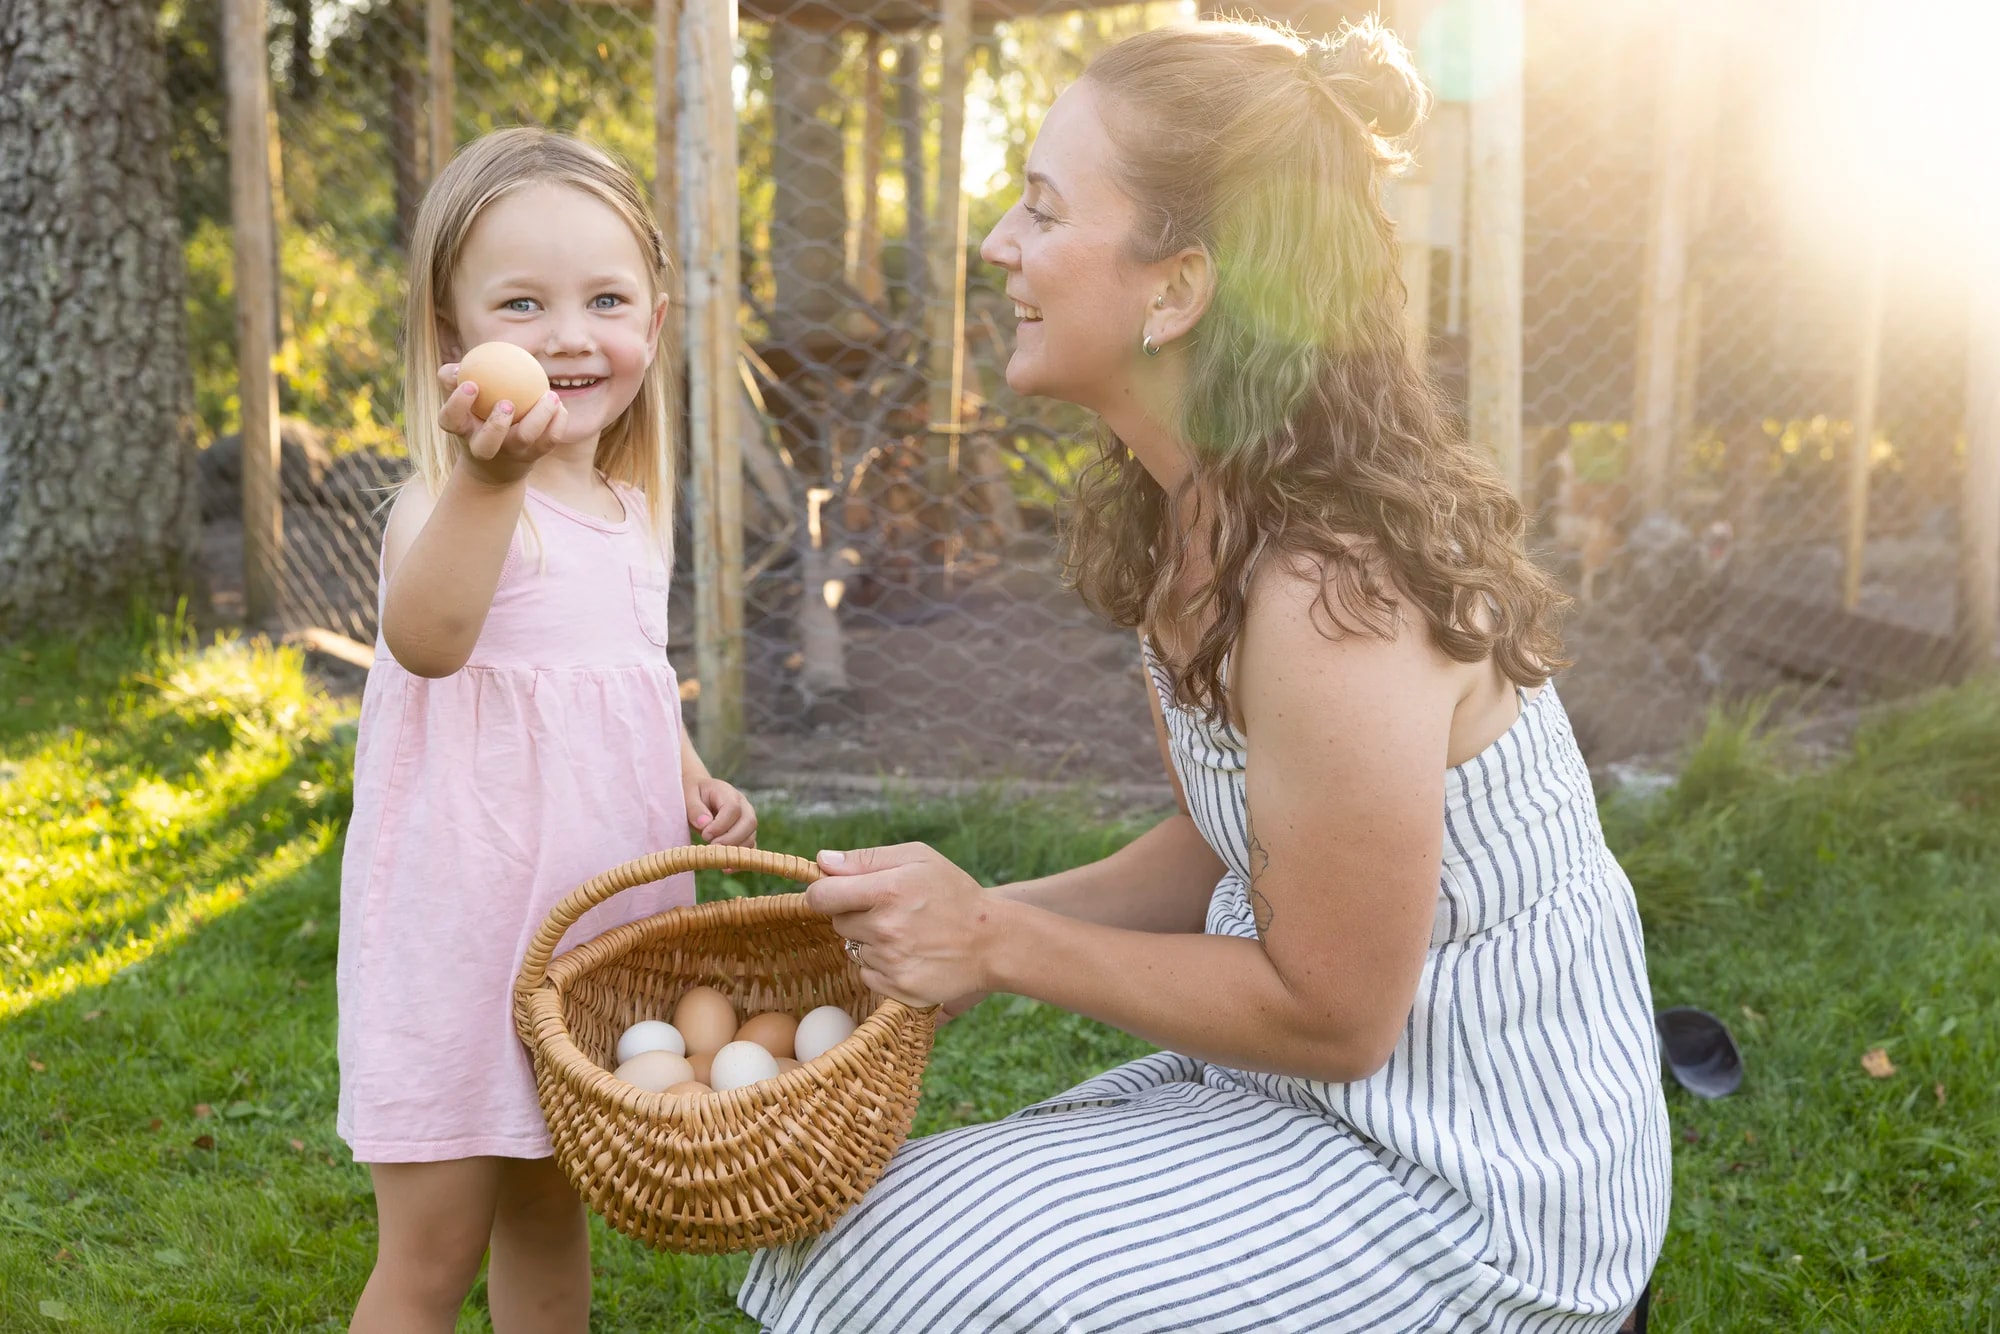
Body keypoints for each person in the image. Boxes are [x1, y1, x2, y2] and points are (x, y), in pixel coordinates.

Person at [742, 18, 1668, 1333]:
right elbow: (1216, 844)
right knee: (877, 1238)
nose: (1000, 243)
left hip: (1472, 1179)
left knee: (946, 1290)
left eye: (1044, 208)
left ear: (1176, 289)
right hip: (1324, 1098)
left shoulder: (1329, 589)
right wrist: (942, 926)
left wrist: (996, 940)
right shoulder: (1193, 509)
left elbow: (1335, 1013)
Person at [336, 127, 757, 1334]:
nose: (571, 335)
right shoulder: (454, 498)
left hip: (589, 943)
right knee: (431, 1249)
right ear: (451, 336)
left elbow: (621, 670)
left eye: (605, 299)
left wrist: (686, 772)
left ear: (656, 324)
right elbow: (428, 637)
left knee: (551, 1215)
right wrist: (482, 481)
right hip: (462, 939)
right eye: (523, 304)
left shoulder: (629, 510)